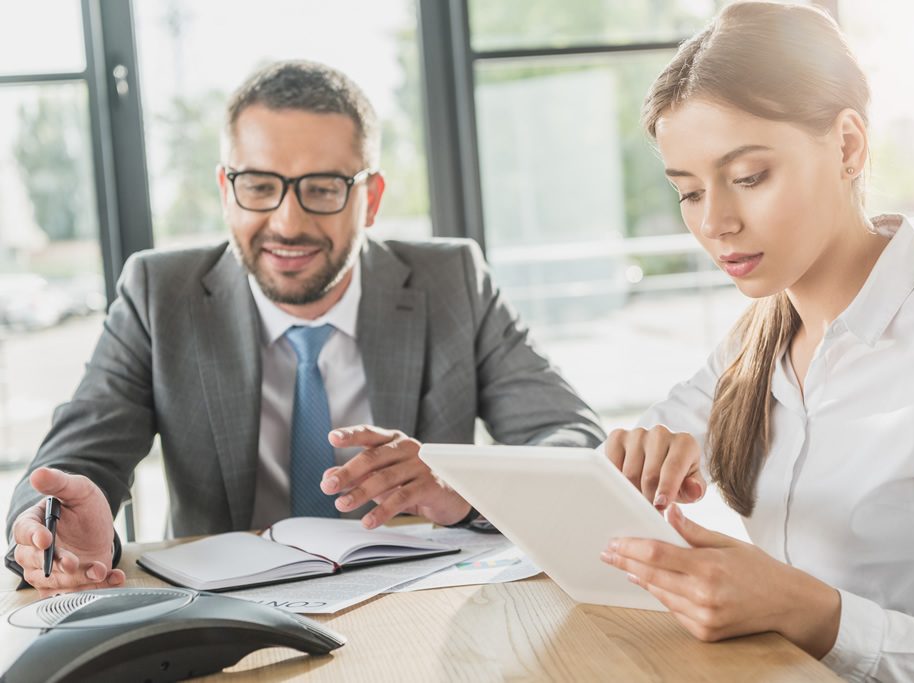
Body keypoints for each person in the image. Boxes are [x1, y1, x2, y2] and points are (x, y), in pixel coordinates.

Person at [6, 60, 604, 594]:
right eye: (260, 187)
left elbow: (572, 439)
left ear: (369, 199)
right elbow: (81, 455)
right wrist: (54, 529)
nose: (287, 223)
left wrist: (469, 486)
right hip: (227, 609)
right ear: (226, 192)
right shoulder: (160, 294)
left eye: (322, 189)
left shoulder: (452, 280)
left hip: (421, 604)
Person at [597, 3, 914, 681]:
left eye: (748, 178)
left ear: (848, 146)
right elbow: (622, 477)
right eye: (688, 192)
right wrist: (637, 462)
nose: (716, 223)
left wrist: (813, 613)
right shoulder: (757, 335)